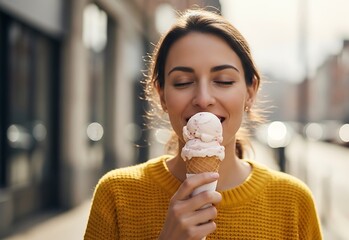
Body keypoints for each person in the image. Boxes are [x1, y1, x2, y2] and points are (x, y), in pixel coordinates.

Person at [84, 8, 322, 240]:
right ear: (162, 95)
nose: (204, 99)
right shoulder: (116, 195)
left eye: (224, 80)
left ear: (250, 92)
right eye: (183, 82)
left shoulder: (293, 201)